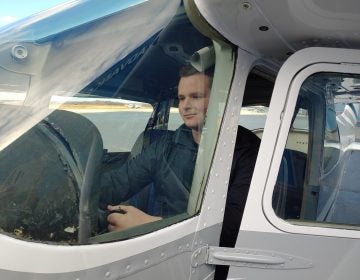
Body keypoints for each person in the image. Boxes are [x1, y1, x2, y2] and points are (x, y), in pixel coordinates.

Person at [100, 64, 260, 280]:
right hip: (160, 253)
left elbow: (233, 228)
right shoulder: (165, 146)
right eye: (182, 98)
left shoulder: (247, 150)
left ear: (220, 101)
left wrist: (150, 226)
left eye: (195, 96)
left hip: (212, 261)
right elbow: (118, 182)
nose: (185, 106)